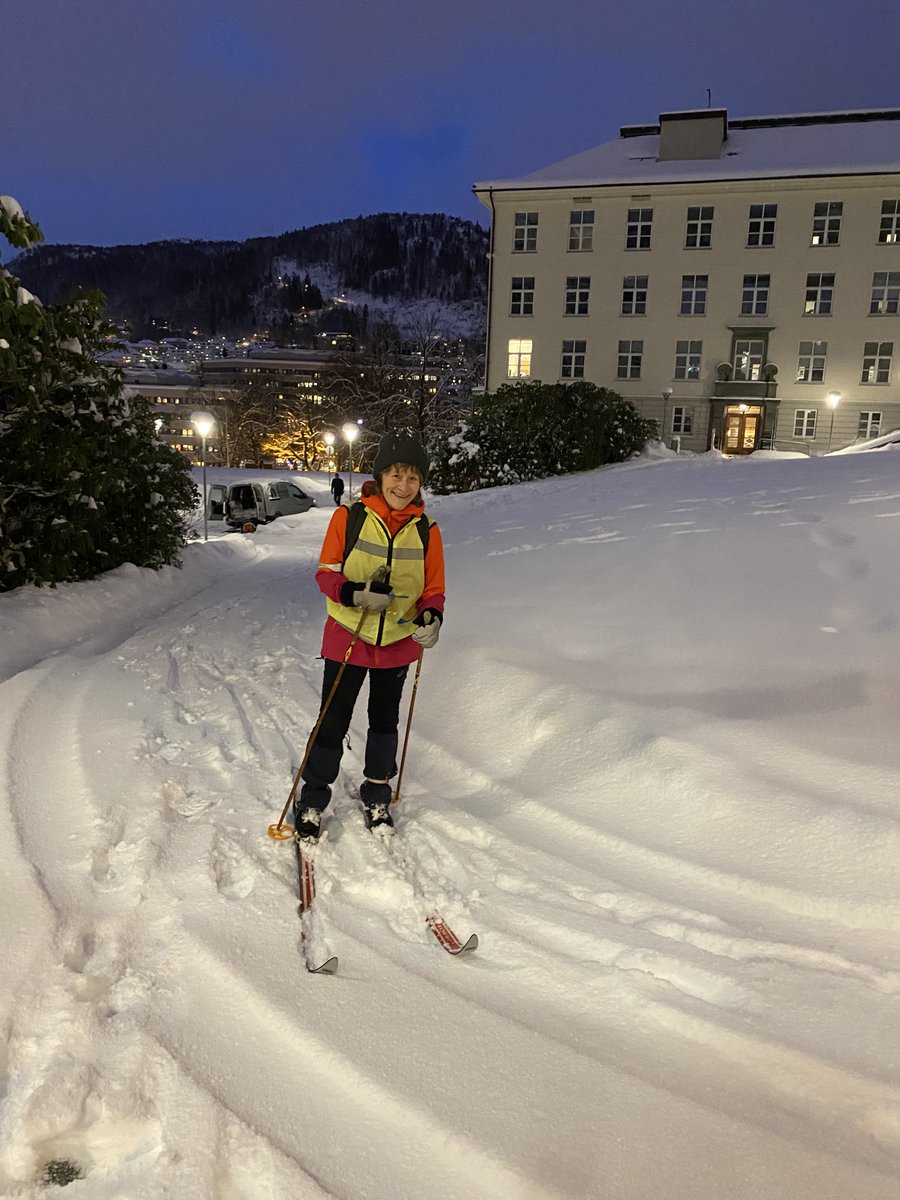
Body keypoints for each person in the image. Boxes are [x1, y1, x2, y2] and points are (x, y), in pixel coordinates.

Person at [294, 433, 445, 840]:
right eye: (397, 474)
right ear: (381, 476)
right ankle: (312, 799)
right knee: (333, 719)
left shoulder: (428, 530)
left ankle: (377, 790)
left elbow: (433, 589)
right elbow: (326, 573)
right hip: (348, 636)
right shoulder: (350, 518)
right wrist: (354, 593)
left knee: (384, 721)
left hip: (397, 643)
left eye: (413, 478)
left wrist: (432, 617)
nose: (403, 485)